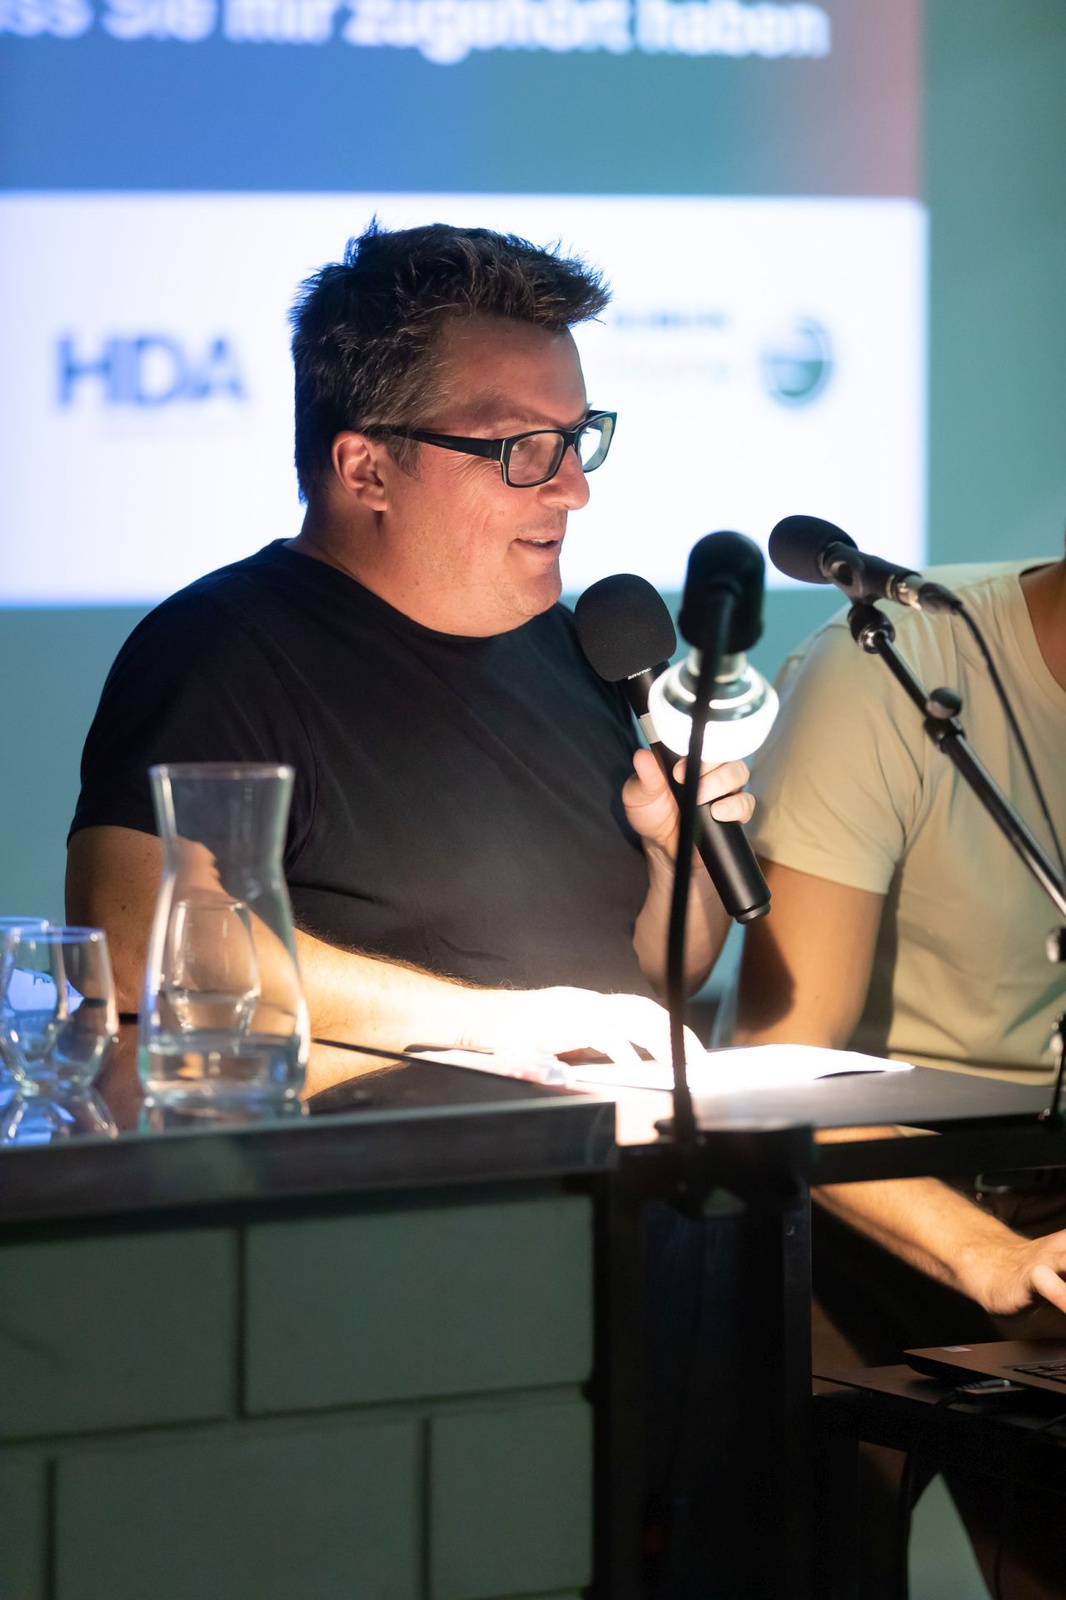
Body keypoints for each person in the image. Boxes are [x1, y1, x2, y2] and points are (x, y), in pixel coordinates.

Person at [65, 221, 753, 1096]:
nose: (574, 488)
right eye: (522, 449)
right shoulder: (219, 651)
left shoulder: (578, 648)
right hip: (390, 1172)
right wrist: (494, 1025)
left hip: (621, 1152)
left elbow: (648, 975)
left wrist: (677, 863)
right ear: (366, 470)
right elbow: (139, 947)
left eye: (578, 438)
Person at [733, 549, 1066, 1595]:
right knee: (805, 1555)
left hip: (1052, 1197)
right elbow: (776, 1067)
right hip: (864, 1188)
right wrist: (988, 1254)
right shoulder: (889, 663)